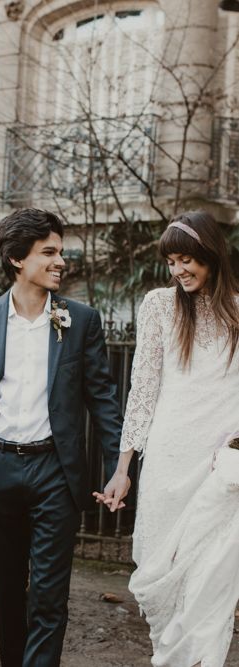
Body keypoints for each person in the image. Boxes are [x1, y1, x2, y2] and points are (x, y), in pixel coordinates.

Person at [0, 208, 129, 667]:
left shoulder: (81, 320)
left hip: (56, 475)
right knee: (9, 597)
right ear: (17, 259)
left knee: (50, 600)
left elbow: (104, 401)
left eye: (61, 252)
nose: (60, 262)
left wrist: (118, 469)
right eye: (48, 252)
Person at [100, 210, 239, 666]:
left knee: (207, 582)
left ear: (211, 256)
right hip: (166, 460)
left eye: (187, 260)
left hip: (219, 468)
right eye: (172, 261)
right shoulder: (159, 306)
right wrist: (123, 468)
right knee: (161, 576)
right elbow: (144, 389)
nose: (179, 271)